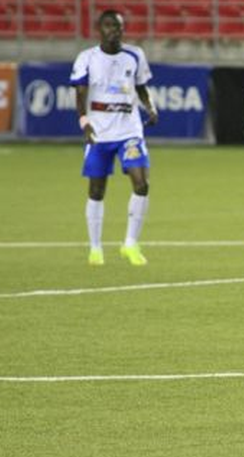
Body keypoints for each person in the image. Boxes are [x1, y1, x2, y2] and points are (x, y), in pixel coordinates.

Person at [71, 9, 158, 266]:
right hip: (99, 134)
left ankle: (130, 244)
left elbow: (141, 87)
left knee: (141, 184)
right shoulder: (87, 58)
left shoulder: (135, 55)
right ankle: (95, 248)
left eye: (119, 26)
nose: (115, 31)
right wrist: (84, 123)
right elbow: (79, 94)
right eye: (109, 26)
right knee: (97, 191)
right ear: (99, 29)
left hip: (129, 131)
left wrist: (150, 107)